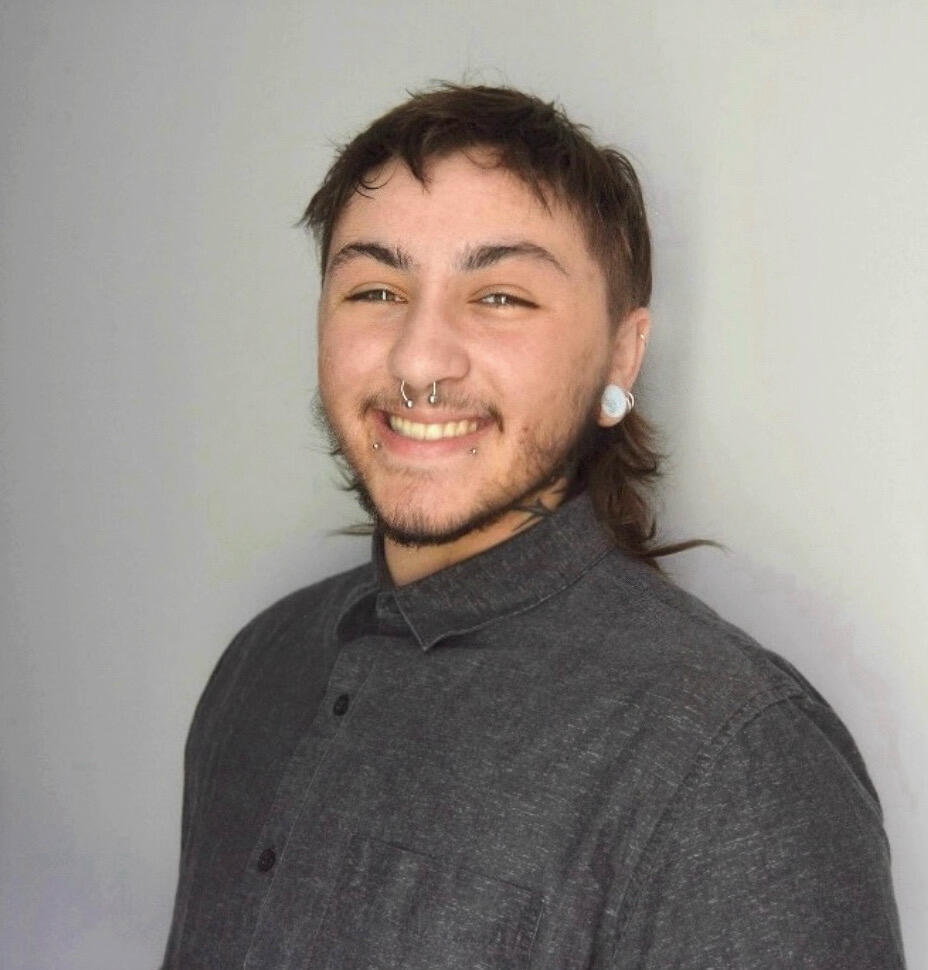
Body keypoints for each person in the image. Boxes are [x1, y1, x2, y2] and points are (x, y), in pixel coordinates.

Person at [162, 84, 905, 968]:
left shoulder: (736, 763)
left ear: (621, 354)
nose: (418, 361)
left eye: (501, 297)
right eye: (376, 288)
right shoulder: (259, 665)